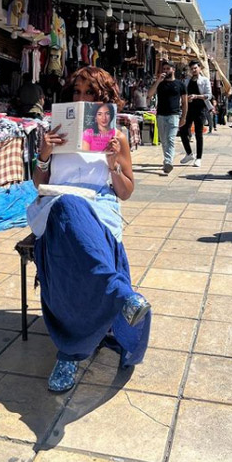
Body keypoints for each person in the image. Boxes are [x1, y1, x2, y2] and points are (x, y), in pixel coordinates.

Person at [27, 66, 151, 392]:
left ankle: (71, 352)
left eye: (91, 94)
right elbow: (39, 184)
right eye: (77, 93)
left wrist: (112, 165)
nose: (82, 99)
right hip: (56, 207)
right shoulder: (54, 132)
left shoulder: (117, 137)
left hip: (98, 208)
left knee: (77, 219)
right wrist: (45, 154)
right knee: (68, 205)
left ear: (104, 100)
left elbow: (125, 191)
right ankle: (123, 298)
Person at [147, 60, 187, 174]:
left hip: (174, 115)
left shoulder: (180, 85)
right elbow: (149, 95)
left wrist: (183, 117)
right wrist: (158, 81)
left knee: (170, 139)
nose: (165, 71)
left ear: (173, 70)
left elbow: (184, 102)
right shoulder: (160, 84)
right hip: (160, 115)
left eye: (168, 69)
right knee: (164, 140)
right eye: (164, 69)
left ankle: (168, 162)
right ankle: (167, 161)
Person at [178, 60, 212, 167]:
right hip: (188, 109)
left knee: (198, 134)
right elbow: (183, 94)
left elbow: (209, 95)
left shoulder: (205, 80)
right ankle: (189, 153)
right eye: (191, 68)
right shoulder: (187, 81)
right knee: (183, 130)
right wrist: (186, 99)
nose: (193, 70)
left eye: (195, 68)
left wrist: (196, 96)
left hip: (200, 109)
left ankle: (199, 158)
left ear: (199, 69)